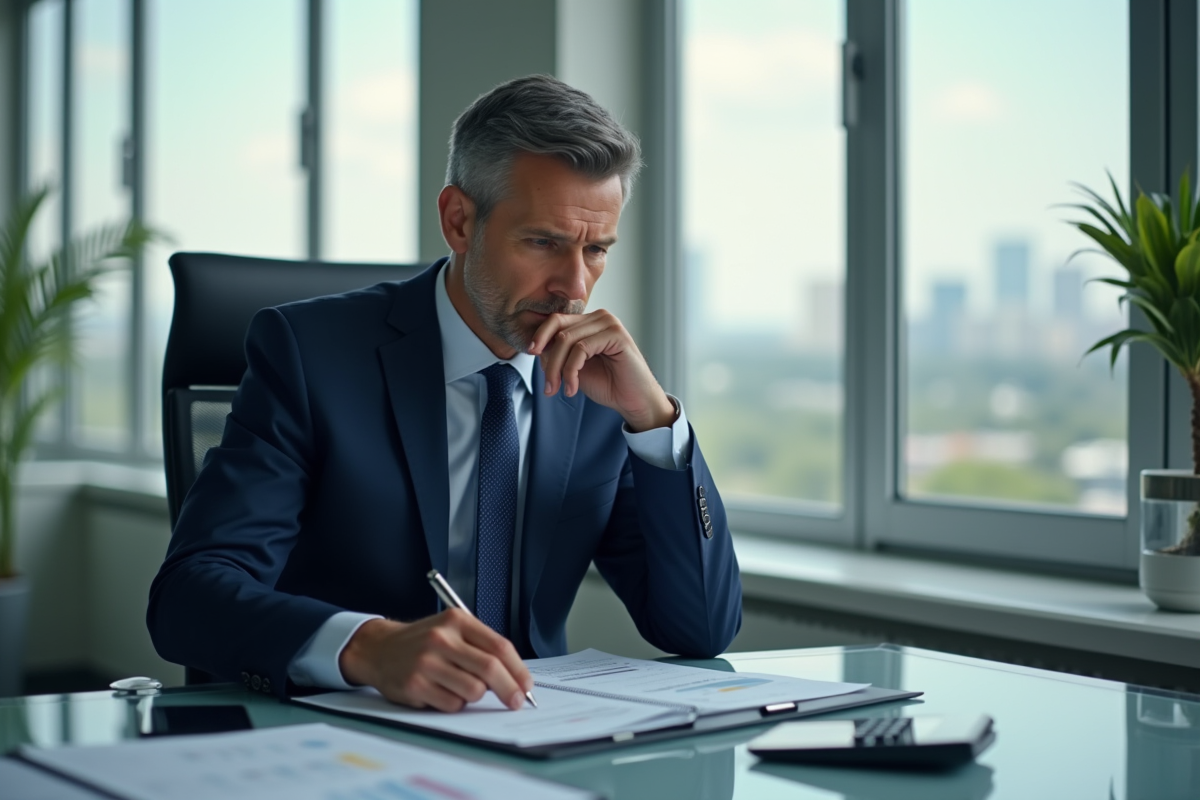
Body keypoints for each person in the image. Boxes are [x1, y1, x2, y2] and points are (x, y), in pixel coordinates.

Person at [148, 74, 742, 713]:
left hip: (533, 739)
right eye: (543, 242)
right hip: (343, 734)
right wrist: (368, 647)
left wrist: (654, 423)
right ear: (459, 220)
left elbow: (699, 629)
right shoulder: (309, 353)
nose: (574, 286)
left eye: (596, 249)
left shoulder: (597, 388)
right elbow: (188, 597)